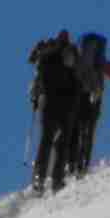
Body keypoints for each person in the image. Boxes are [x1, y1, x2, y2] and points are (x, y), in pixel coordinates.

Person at [64, 32, 110, 184]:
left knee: (75, 130)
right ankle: (83, 166)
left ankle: (71, 163)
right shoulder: (101, 62)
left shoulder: (77, 59)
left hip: (76, 97)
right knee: (88, 131)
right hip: (94, 97)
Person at [29, 31, 78, 192]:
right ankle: (57, 179)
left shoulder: (46, 56)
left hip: (48, 102)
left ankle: (39, 176)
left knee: (46, 139)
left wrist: (35, 99)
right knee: (62, 141)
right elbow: (76, 79)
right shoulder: (69, 52)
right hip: (65, 103)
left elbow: (37, 78)